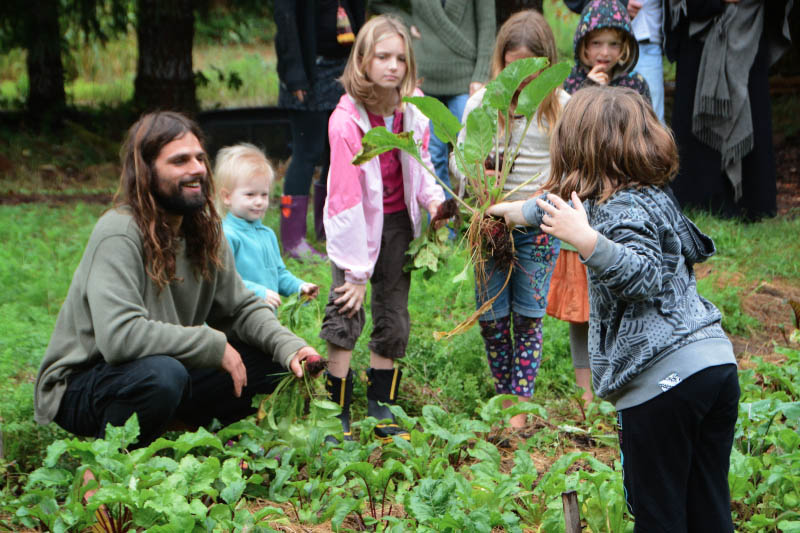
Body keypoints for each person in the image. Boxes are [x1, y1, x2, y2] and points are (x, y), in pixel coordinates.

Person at [488, 86, 740, 531]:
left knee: (658, 513)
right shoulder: (652, 194)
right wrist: (512, 212)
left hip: (662, 384)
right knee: (707, 506)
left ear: (577, 150)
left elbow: (644, 276)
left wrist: (586, 241)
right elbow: (557, 207)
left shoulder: (617, 211)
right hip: (714, 366)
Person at [34, 112, 323, 449]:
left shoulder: (205, 228)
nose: (197, 168)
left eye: (200, 158)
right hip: (84, 382)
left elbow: (241, 308)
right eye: (180, 160)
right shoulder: (119, 232)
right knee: (161, 377)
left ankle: (173, 424)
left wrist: (290, 347)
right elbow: (119, 337)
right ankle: (107, 461)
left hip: (164, 366)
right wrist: (212, 345)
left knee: (272, 362)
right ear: (146, 170)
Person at [321, 15, 444, 442]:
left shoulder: (413, 110)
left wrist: (434, 201)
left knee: (393, 312)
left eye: (400, 58)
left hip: (397, 223)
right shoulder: (346, 121)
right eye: (382, 57)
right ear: (363, 61)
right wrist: (356, 271)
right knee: (346, 309)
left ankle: (382, 405)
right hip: (353, 226)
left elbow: (422, 165)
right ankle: (333, 411)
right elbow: (345, 200)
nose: (392, 66)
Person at [450, 10, 566, 429]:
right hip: (490, 227)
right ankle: (503, 392)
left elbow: (571, 171)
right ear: (500, 63)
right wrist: (478, 174)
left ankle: (520, 403)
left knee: (529, 316)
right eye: (512, 67)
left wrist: (548, 192)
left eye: (531, 70)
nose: (520, 80)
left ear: (546, 66)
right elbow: (460, 162)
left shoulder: (560, 109)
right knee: (493, 317)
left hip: (539, 226)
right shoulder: (483, 104)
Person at [665, 0, 792, 220]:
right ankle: (700, 201)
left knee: (751, 109)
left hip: (749, 32)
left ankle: (749, 203)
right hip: (698, 38)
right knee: (695, 134)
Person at [370, 0, 495, 199]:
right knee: (432, 156)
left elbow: (487, 26)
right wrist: (404, 23)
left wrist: (481, 75)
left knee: (474, 153)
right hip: (425, 80)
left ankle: (479, 219)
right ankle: (443, 221)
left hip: (466, 80)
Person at [275, 0, 366, 259]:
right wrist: (295, 75)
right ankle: (294, 241)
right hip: (306, 70)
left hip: (343, 68)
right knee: (307, 151)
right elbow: (286, 20)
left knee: (337, 150)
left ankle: (329, 228)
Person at [215, 143, 319, 309]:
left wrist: (299, 287)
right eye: (250, 195)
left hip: (266, 319)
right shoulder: (226, 235)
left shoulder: (267, 234)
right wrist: (259, 292)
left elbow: (279, 274)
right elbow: (223, 280)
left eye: (264, 194)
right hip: (236, 320)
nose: (259, 201)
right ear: (227, 197)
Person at [565, 0, 664, 122]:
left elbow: (647, 127)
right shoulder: (573, 80)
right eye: (596, 43)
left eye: (614, 44)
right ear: (583, 45)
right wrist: (588, 87)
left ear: (624, 46)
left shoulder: (635, 84)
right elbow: (567, 127)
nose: (605, 52)